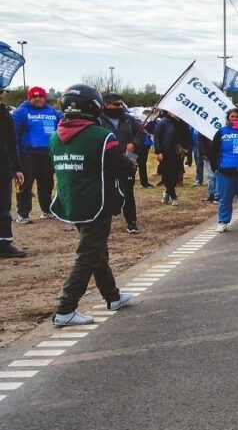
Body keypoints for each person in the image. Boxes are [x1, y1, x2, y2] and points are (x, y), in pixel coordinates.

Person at [49, 84, 134, 326]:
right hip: (97, 202)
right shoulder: (101, 135)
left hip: (71, 202)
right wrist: (130, 162)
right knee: (88, 254)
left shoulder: (55, 136)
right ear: (93, 106)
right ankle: (66, 309)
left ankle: (112, 296)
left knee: (97, 250)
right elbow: (120, 166)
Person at [99, 93, 146, 234]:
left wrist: (134, 143)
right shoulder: (99, 120)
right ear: (106, 105)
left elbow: (142, 134)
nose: (120, 107)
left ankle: (131, 221)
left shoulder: (129, 120)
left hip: (127, 158)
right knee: (106, 190)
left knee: (128, 191)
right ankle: (104, 220)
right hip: (107, 160)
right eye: (116, 104)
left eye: (121, 104)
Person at [12, 85, 59, 223]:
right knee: (26, 184)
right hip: (27, 154)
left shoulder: (52, 112)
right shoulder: (21, 112)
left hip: (47, 154)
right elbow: (13, 135)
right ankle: (23, 214)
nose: (38, 99)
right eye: (34, 97)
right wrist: (16, 156)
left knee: (47, 183)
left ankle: (47, 210)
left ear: (45, 98)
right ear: (29, 98)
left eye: (40, 96)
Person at [0, 83, 26, 258]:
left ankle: (4, 243)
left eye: (1, 92)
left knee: (3, 206)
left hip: (3, 168)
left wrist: (17, 168)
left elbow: (11, 143)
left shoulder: (5, 114)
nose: (1, 95)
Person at [153, 110, 192, 206]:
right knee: (167, 174)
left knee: (175, 174)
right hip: (166, 153)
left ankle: (167, 190)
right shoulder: (162, 123)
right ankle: (174, 196)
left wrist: (187, 149)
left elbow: (188, 138)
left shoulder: (183, 124)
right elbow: (157, 138)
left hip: (179, 153)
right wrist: (158, 151)